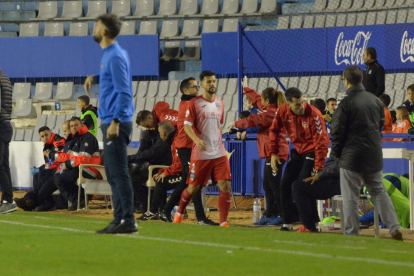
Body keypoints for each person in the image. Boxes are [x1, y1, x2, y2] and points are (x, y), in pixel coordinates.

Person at [330, 65, 402, 240]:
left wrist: (336, 154)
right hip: (374, 153)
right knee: (378, 191)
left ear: (345, 81)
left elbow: (337, 131)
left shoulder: (345, 103)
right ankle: (394, 227)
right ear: (361, 79)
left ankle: (352, 233)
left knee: (350, 197)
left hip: (351, 156)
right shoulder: (375, 101)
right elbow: (380, 124)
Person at [83, 14, 137, 234]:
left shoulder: (114, 56)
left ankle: (128, 221)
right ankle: (119, 220)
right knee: (113, 174)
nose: (94, 29)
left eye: (96, 26)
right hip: (110, 120)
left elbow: (125, 92)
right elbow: (114, 81)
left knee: (119, 173)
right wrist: (96, 77)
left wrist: (115, 120)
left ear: (103, 31)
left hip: (116, 121)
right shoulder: (110, 55)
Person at [173, 70, 232, 227]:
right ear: (202, 84)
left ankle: (223, 222)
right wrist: (196, 140)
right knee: (193, 187)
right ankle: (179, 212)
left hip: (218, 152)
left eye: (214, 81)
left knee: (225, 184)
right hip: (201, 152)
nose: (212, 84)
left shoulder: (220, 103)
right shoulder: (194, 103)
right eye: (209, 82)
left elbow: (219, 127)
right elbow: (186, 126)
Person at [269, 87, 330, 231]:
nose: (301, 106)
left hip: (313, 151)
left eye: (302, 102)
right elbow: (274, 130)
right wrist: (273, 152)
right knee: (284, 185)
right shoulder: (282, 111)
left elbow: (321, 143)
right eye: (297, 104)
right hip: (298, 151)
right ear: (288, 104)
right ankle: (288, 222)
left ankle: (310, 224)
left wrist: (319, 168)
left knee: (303, 186)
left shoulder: (314, 114)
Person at [158, 77, 214, 225]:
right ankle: (200, 218)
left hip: (190, 146)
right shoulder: (189, 104)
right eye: (195, 87)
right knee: (193, 181)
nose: (197, 89)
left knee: (187, 181)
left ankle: (166, 210)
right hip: (186, 147)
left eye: (197, 86)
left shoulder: (190, 103)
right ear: (185, 90)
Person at [235, 84, 288, 226]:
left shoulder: (270, 114)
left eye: (263, 101)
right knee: (268, 185)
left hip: (276, 153)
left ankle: (283, 215)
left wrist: (235, 124)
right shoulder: (271, 110)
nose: (259, 103)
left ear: (267, 101)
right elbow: (258, 100)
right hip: (272, 154)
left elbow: (252, 120)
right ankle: (270, 214)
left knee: (274, 186)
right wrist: (247, 89)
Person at [51, 117, 100, 210]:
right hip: (78, 167)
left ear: (82, 125)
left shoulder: (87, 138)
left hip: (88, 169)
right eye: (72, 126)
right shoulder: (77, 138)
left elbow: (83, 159)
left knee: (59, 178)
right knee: (57, 176)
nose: (74, 127)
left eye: (76, 125)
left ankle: (77, 199)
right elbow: (69, 156)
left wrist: (68, 164)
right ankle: (80, 198)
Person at [15, 126, 65, 211]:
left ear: (51, 133)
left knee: (41, 181)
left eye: (46, 135)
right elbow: (48, 163)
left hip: (60, 171)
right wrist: (41, 169)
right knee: (37, 176)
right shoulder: (46, 145)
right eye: (42, 136)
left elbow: (58, 161)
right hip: (53, 170)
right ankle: (36, 202)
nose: (45, 137)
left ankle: (29, 201)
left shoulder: (58, 141)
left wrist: (41, 169)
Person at [140, 121, 182, 220]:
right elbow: (176, 164)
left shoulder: (177, 142)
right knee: (161, 180)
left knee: (162, 181)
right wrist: (163, 172)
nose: (160, 136)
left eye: (159, 133)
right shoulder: (174, 141)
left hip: (188, 176)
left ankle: (156, 211)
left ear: (163, 133)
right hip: (184, 173)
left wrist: (166, 172)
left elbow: (180, 165)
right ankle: (161, 211)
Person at [293, 158, 341, 232]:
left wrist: (320, 174)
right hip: (333, 180)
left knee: (298, 187)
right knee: (302, 185)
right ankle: (312, 225)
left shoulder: (345, 150)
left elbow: (339, 167)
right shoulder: (342, 150)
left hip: (337, 183)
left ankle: (309, 226)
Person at [0, 68, 16, 214]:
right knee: (3, 166)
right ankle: (8, 200)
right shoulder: (4, 77)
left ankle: (8, 200)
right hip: (5, 124)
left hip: (0, 124)